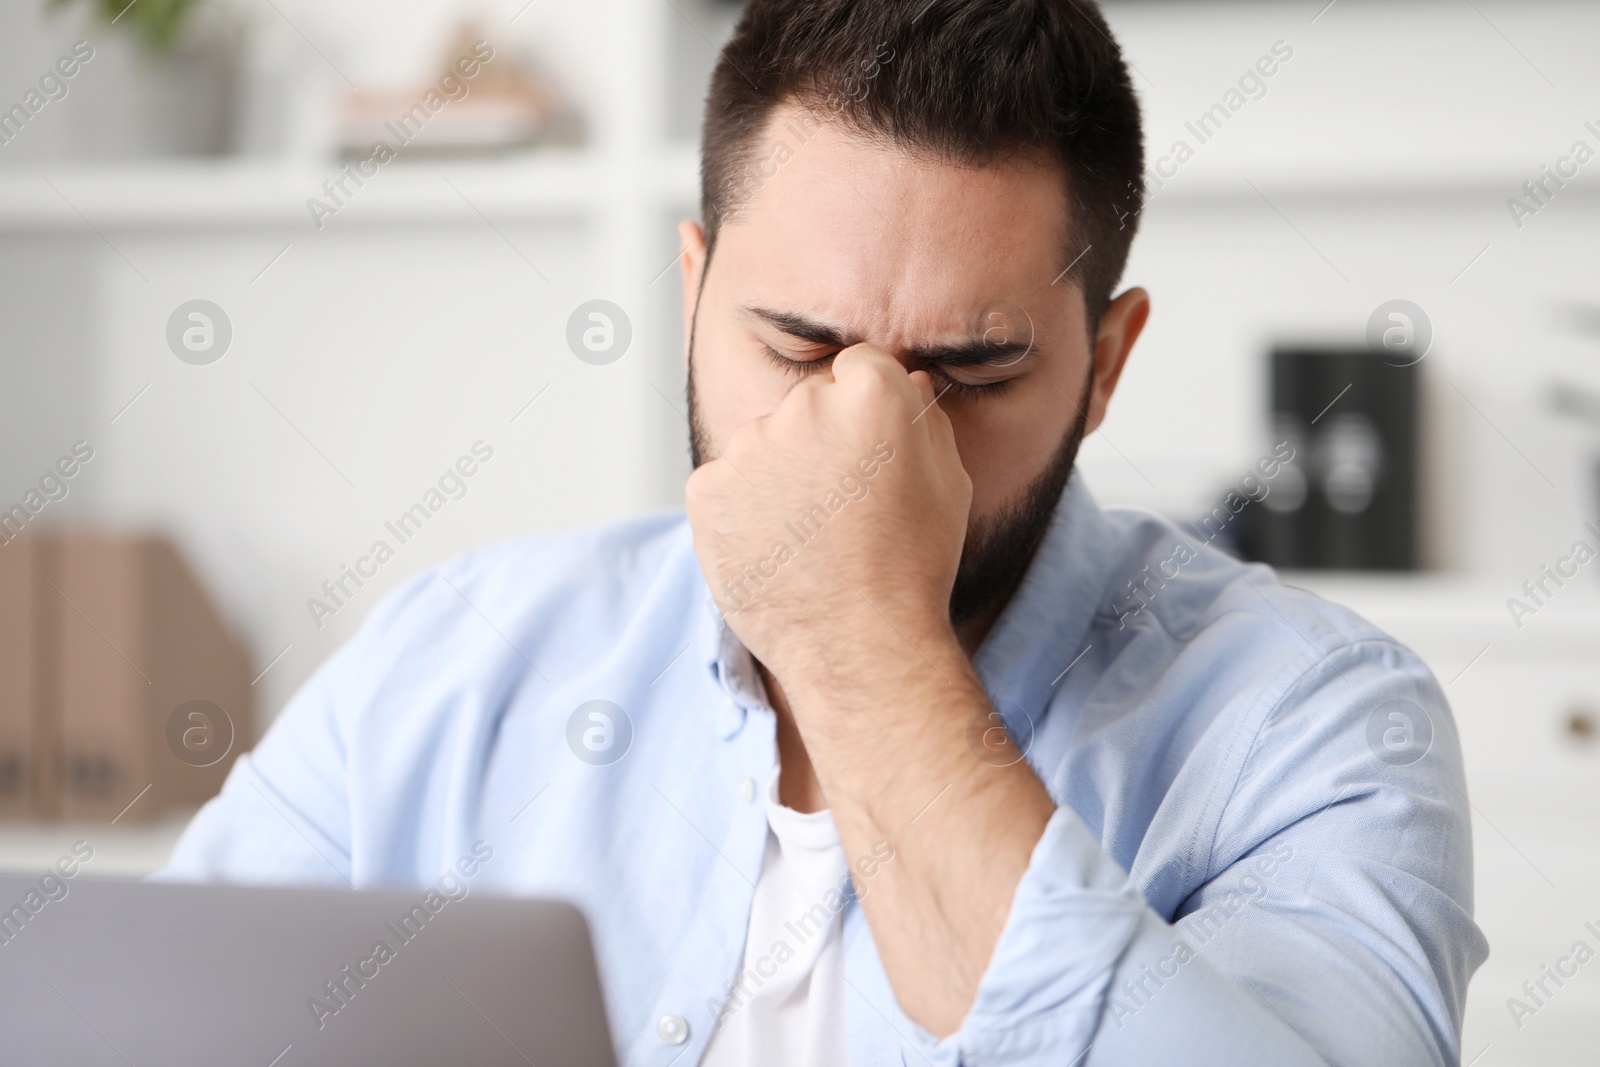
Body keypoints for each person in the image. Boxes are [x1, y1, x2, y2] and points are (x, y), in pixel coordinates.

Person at [161, 1, 1487, 1063]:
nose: (871, 430)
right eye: (801, 344)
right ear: (691, 293)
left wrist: (861, 636)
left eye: (969, 370)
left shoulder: (1316, 724)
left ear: (1105, 362)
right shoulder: (453, 653)